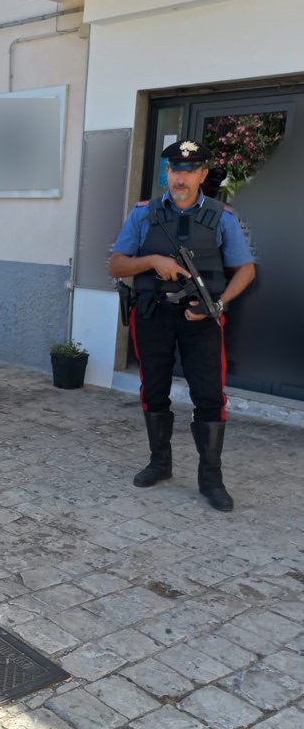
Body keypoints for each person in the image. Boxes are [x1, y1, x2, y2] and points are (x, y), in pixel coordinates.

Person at [108, 140, 256, 511]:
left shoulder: (223, 217)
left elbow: (246, 270)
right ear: (167, 173)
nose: (180, 178)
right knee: (153, 389)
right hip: (153, 315)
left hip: (202, 319)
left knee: (209, 395)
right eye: (175, 170)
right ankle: (160, 462)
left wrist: (217, 304)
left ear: (202, 174)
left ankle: (211, 477)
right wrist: (152, 261)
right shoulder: (143, 213)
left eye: (189, 171)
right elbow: (116, 264)